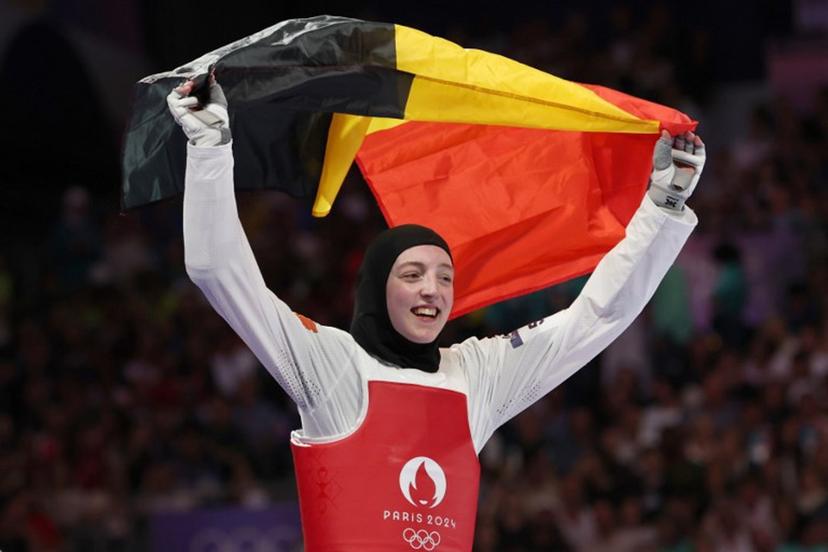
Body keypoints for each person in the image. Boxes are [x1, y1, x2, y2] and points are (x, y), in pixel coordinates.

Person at [168, 77, 705, 551]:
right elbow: (220, 271)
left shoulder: (476, 377)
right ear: (376, 289)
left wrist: (663, 206)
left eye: (445, 277)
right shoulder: (330, 365)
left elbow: (595, 318)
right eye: (412, 275)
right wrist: (210, 148)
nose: (433, 291)